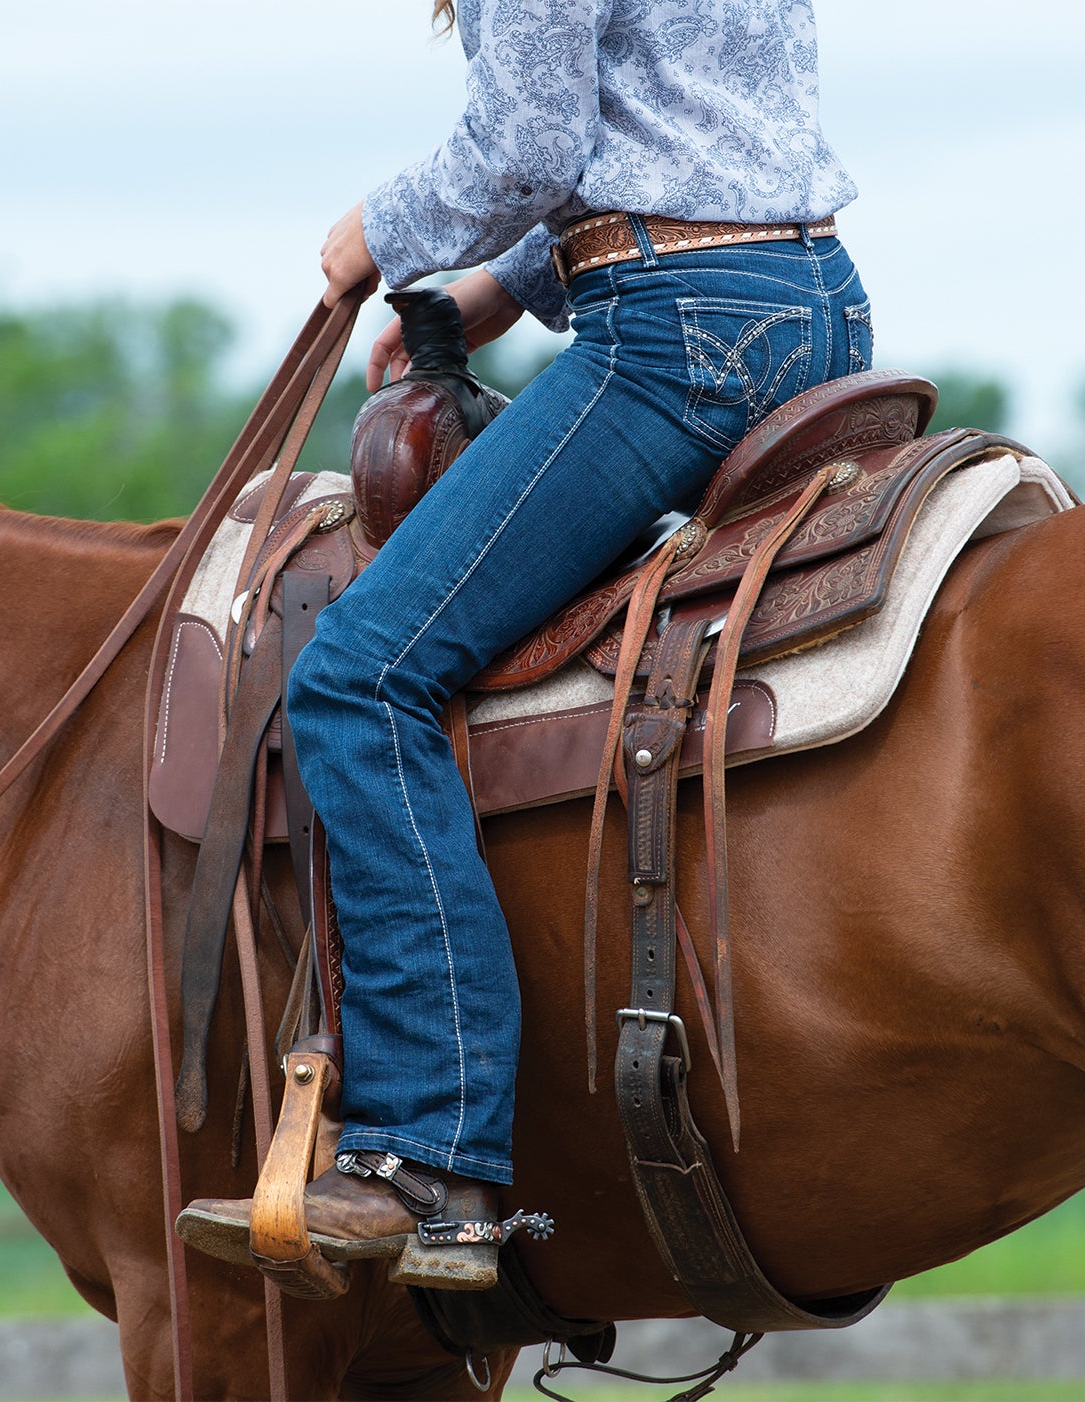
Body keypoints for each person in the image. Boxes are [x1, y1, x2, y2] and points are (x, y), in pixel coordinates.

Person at [180, 0, 870, 1289]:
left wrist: (375, 231)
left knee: (362, 674)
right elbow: (700, 130)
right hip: (816, 304)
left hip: (676, 341)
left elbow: (533, 140)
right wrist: (507, 285)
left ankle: (431, 1149)